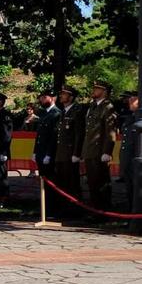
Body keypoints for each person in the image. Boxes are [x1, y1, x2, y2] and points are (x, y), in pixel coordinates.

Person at [81, 80, 117, 210]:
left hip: (100, 151)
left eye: (97, 88)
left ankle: (104, 211)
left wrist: (107, 151)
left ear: (104, 92)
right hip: (90, 150)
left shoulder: (107, 107)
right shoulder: (93, 106)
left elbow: (110, 131)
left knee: (101, 183)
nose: (94, 90)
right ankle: (95, 210)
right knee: (92, 183)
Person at [54, 86, 85, 217]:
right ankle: (63, 209)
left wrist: (76, 153)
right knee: (62, 183)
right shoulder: (63, 111)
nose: (61, 96)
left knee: (71, 184)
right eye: (61, 94)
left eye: (64, 94)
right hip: (61, 154)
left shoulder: (76, 111)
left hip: (70, 154)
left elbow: (79, 134)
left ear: (71, 97)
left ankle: (74, 209)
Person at [33, 89, 61, 214]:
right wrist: (35, 151)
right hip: (40, 152)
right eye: (41, 97)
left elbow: (53, 136)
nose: (41, 100)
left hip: (49, 154)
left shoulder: (57, 114)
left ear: (53, 98)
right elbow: (39, 135)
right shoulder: (43, 113)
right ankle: (45, 208)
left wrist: (49, 154)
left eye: (44, 97)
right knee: (43, 181)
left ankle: (52, 208)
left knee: (51, 182)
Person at [120, 91, 138, 211]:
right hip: (127, 162)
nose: (130, 101)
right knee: (130, 191)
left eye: (133, 99)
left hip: (135, 162)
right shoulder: (130, 118)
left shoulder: (138, 119)